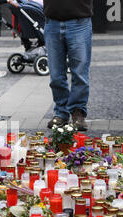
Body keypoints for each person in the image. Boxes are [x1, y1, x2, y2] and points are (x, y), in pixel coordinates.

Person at [43, 0, 93, 131]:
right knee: (55, 75)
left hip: (79, 21)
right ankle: (61, 113)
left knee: (80, 73)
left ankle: (78, 112)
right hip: (52, 21)